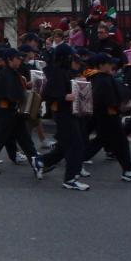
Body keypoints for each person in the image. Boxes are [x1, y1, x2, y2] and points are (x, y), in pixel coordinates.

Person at [34, 44, 89, 190]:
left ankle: (41, 161)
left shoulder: (64, 70)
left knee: (65, 145)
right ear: (65, 57)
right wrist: (65, 96)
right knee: (75, 144)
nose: (73, 59)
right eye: (71, 56)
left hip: (69, 112)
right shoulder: (56, 71)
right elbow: (47, 94)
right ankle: (70, 178)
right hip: (63, 113)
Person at [0, 48, 41, 175]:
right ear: (9, 59)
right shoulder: (6, 74)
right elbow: (11, 94)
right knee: (0, 139)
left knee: (24, 140)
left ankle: (38, 164)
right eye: (17, 58)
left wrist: (26, 86)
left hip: (12, 112)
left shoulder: (12, 72)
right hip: (7, 111)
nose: (20, 60)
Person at [84, 53, 131, 182]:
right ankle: (128, 171)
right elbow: (103, 99)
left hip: (107, 115)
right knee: (121, 143)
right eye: (109, 63)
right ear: (102, 65)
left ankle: (74, 160)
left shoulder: (101, 77)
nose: (112, 65)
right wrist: (118, 103)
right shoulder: (101, 79)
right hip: (109, 115)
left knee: (102, 140)